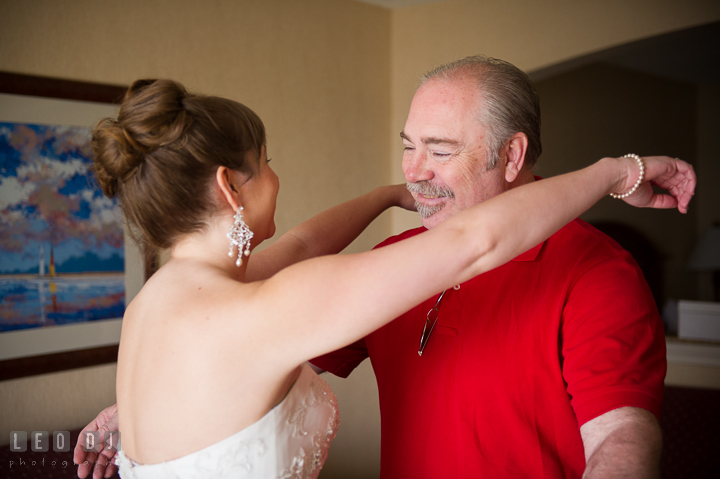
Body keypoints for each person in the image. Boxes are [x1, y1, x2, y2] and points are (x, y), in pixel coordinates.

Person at [74, 75, 694, 479]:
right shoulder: (272, 305)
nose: (421, 169)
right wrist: (619, 172)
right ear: (229, 187)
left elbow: (302, 243)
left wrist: (388, 194)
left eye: (440, 150)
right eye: (266, 165)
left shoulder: (161, 301)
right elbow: (475, 243)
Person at [310, 55, 688, 478]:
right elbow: (284, 361)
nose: (412, 171)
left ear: (511, 155)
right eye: (408, 146)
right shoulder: (394, 261)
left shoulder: (598, 271)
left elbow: (620, 439)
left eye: (439, 150)